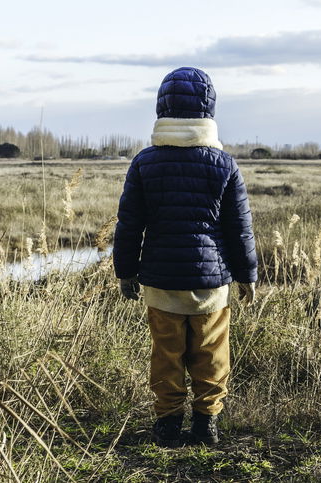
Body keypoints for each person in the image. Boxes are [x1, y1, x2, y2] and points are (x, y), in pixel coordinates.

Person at [113, 66, 257, 447]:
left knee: (166, 354)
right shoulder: (224, 165)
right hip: (210, 284)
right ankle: (205, 422)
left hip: (160, 281)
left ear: (162, 108)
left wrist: (125, 272)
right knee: (210, 353)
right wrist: (247, 275)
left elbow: (129, 224)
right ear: (208, 110)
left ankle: (167, 424)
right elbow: (239, 228)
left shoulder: (145, 163)